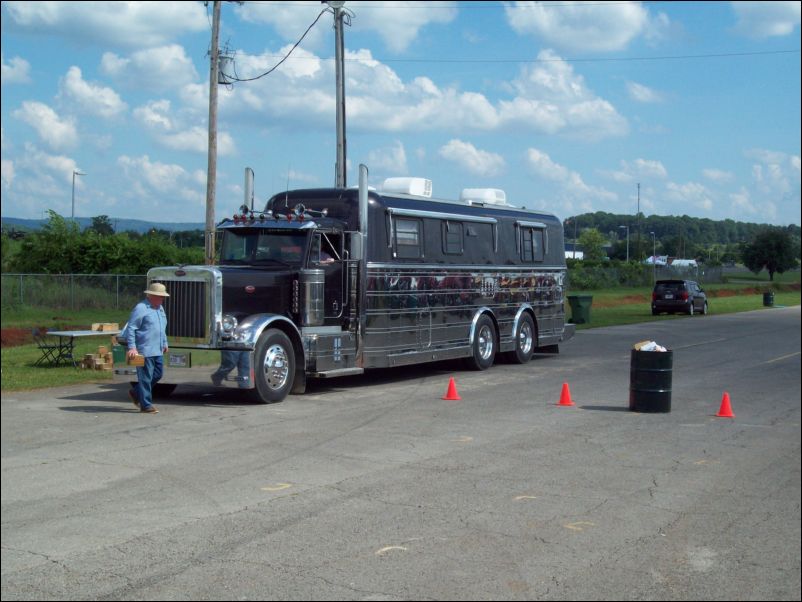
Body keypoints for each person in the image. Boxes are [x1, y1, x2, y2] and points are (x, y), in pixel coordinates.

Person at [125, 282, 169, 414]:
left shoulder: (160, 309)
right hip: (145, 350)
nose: (162, 299)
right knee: (145, 378)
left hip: (158, 349)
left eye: (163, 297)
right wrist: (132, 347)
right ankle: (146, 405)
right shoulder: (141, 308)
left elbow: (162, 327)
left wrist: (164, 342)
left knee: (157, 374)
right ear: (151, 295)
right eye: (160, 296)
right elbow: (131, 328)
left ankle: (136, 392)